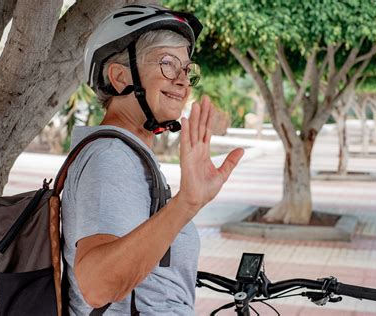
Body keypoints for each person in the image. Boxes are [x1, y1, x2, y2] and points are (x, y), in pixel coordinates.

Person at [61, 5, 244, 315]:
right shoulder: (111, 157)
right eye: (167, 64)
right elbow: (97, 286)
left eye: (187, 69)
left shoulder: (128, 155)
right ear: (119, 77)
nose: (183, 81)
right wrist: (186, 203)